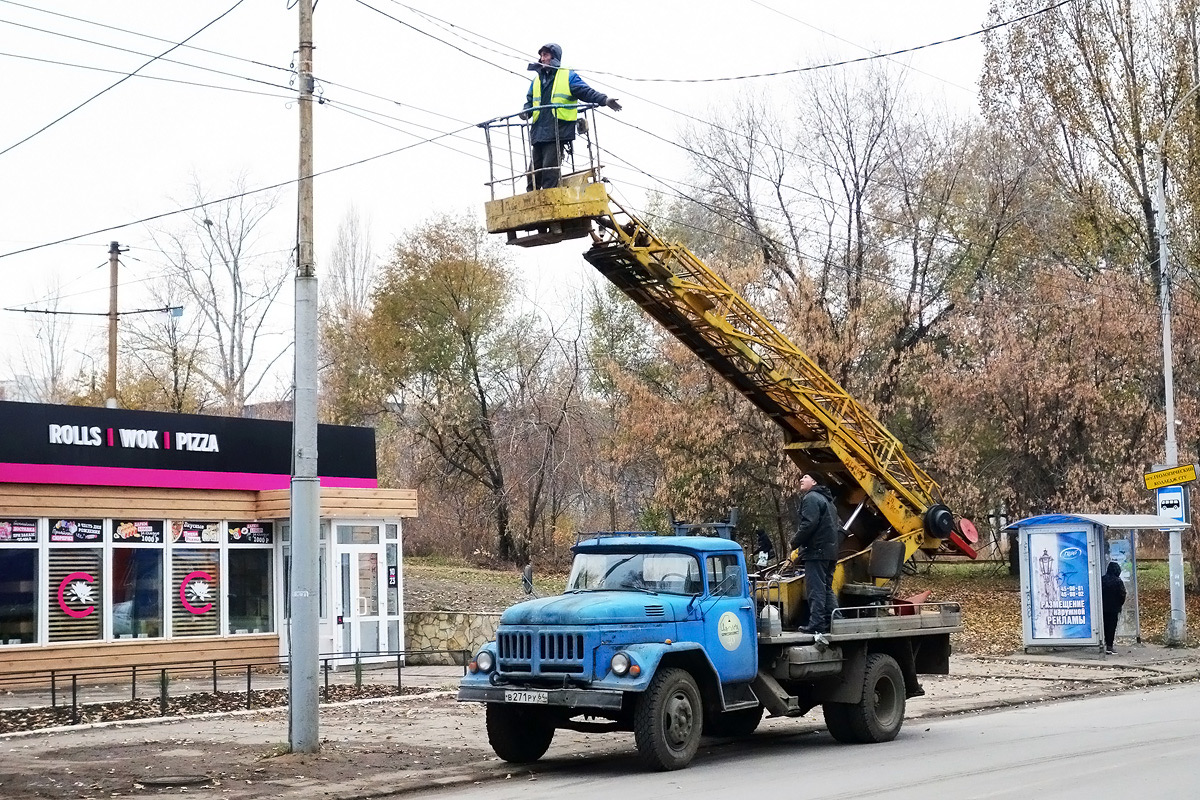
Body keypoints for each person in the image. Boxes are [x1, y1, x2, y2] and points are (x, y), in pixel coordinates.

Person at [521, 43, 621, 190]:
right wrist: (525, 111)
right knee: (533, 174)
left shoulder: (567, 76)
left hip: (557, 131)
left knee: (549, 170)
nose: (542, 59)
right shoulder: (537, 81)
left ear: (554, 57)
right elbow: (530, 101)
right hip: (538, 133)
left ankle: (549, 200)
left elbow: (586, 92)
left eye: (546, 55)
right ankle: (531, 204)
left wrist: (604, 100)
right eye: (541, 56)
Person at [789, 473, 840, 634]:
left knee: (815, 589)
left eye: (805, 477)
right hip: (830, 552)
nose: (801, 480)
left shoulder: (811, 498)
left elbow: (808, 524)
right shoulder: (828, 501)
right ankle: (836, 621)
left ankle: (816, 623)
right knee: (826, 588)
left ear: (814, 481)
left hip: (817, 551)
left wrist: (795, 542)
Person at [1101, 561, 1127, 655]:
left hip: (1102, 608)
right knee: (1112, 627)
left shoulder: (1102, 579)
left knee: (1104, 626)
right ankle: (1109, 646)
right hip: (1114, 608)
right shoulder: (1118, 581)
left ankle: (1102, 642)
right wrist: (1119, 604)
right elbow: (1122, 594)